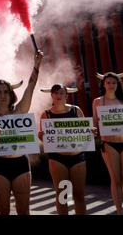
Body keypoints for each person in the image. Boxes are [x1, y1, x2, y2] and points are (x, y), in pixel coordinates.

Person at [0, 51, 43, 215]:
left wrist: (37, 65)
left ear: (11, 94)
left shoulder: (19, 111)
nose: (2, 95)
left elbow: (31, 86)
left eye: (6, 91)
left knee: (23, 210)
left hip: (20, 164)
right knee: (3, 211)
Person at [39, 84, 91, 215]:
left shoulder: (76, 110)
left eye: (61, 93)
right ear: (51, 95)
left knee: (79, 194)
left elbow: (85, 131)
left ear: (67, 96)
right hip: (57, 159)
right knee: (62, 194)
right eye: (56, 93)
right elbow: (45, 139)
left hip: (78, 156)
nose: (59, 95)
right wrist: (41, 137)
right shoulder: (46, 115)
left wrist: (90, 131)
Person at [92, 72, 123, 215]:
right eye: (108, 82)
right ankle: (119, 212)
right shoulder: (98, 101)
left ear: (118, 85)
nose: (111, 85)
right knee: (115, 180)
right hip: (109, 144)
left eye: (114, 83)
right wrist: (93, 131)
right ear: (103, 84)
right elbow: (95, 123)